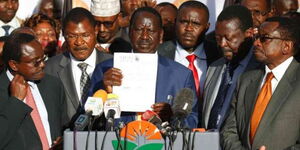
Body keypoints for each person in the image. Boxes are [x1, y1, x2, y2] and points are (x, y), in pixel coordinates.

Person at [89, 7, 198, 128]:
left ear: (161, 35)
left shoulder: (181, 75)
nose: (145, 36)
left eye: (151, 31)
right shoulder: (105, 69)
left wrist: (173, 117)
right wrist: (104, 90)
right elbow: (89, 121)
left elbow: (193, 121)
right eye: (139, 30)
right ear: (130, 32)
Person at [221, 17, 300, 150]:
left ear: (286, 46)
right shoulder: (246, 80)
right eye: (256, 37)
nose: (256, 43)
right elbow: (229, 131)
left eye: (265, 38)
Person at [0, 33, 68, 150]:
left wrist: (63, 140)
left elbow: (64, 126)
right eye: (35, 62)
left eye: (43, 58)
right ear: (14, 65)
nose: (42, 65)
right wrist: (16, 101)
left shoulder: (53, 84)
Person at [45, 8, 112, 120]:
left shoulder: (112, 64)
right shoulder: (49, 68)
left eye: (85, 35)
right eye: (72, 36)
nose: (79, 42)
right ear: (64, 35)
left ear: (95, 31)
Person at [202, 5, 260, 130]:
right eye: (218, 38)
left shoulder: (260, 69)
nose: (222, 44)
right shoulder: (214, 67)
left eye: (229, 38)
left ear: (249, 34)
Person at [158, 1, 211, 99]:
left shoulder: (218, 55)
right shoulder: (158, 54)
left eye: (196, 24)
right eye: (183, 22)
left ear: (207, 27)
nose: (189, 28)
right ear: (175, 22)